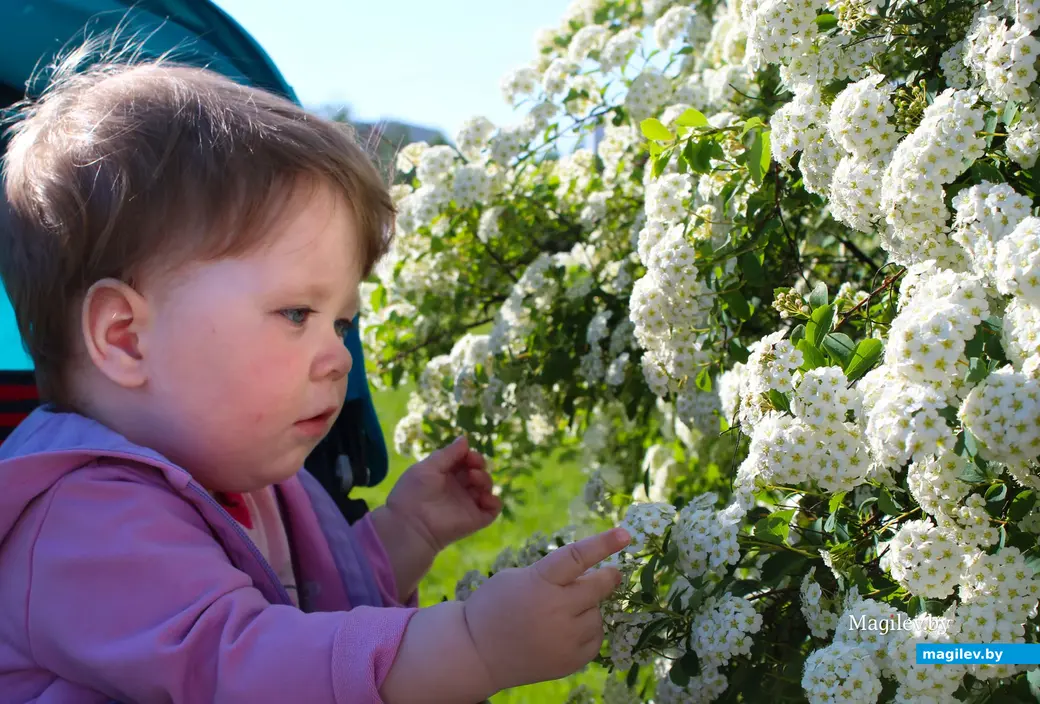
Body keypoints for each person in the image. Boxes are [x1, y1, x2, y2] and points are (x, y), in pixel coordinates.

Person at [0, 44, 630, 704]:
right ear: (126, 338)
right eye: (297, 312)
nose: (339, 358)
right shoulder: (83, 529)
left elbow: (308, 608)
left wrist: (404, 534)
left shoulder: (241, 476)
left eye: (340, 321)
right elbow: (255, 670)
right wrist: (474, 643)